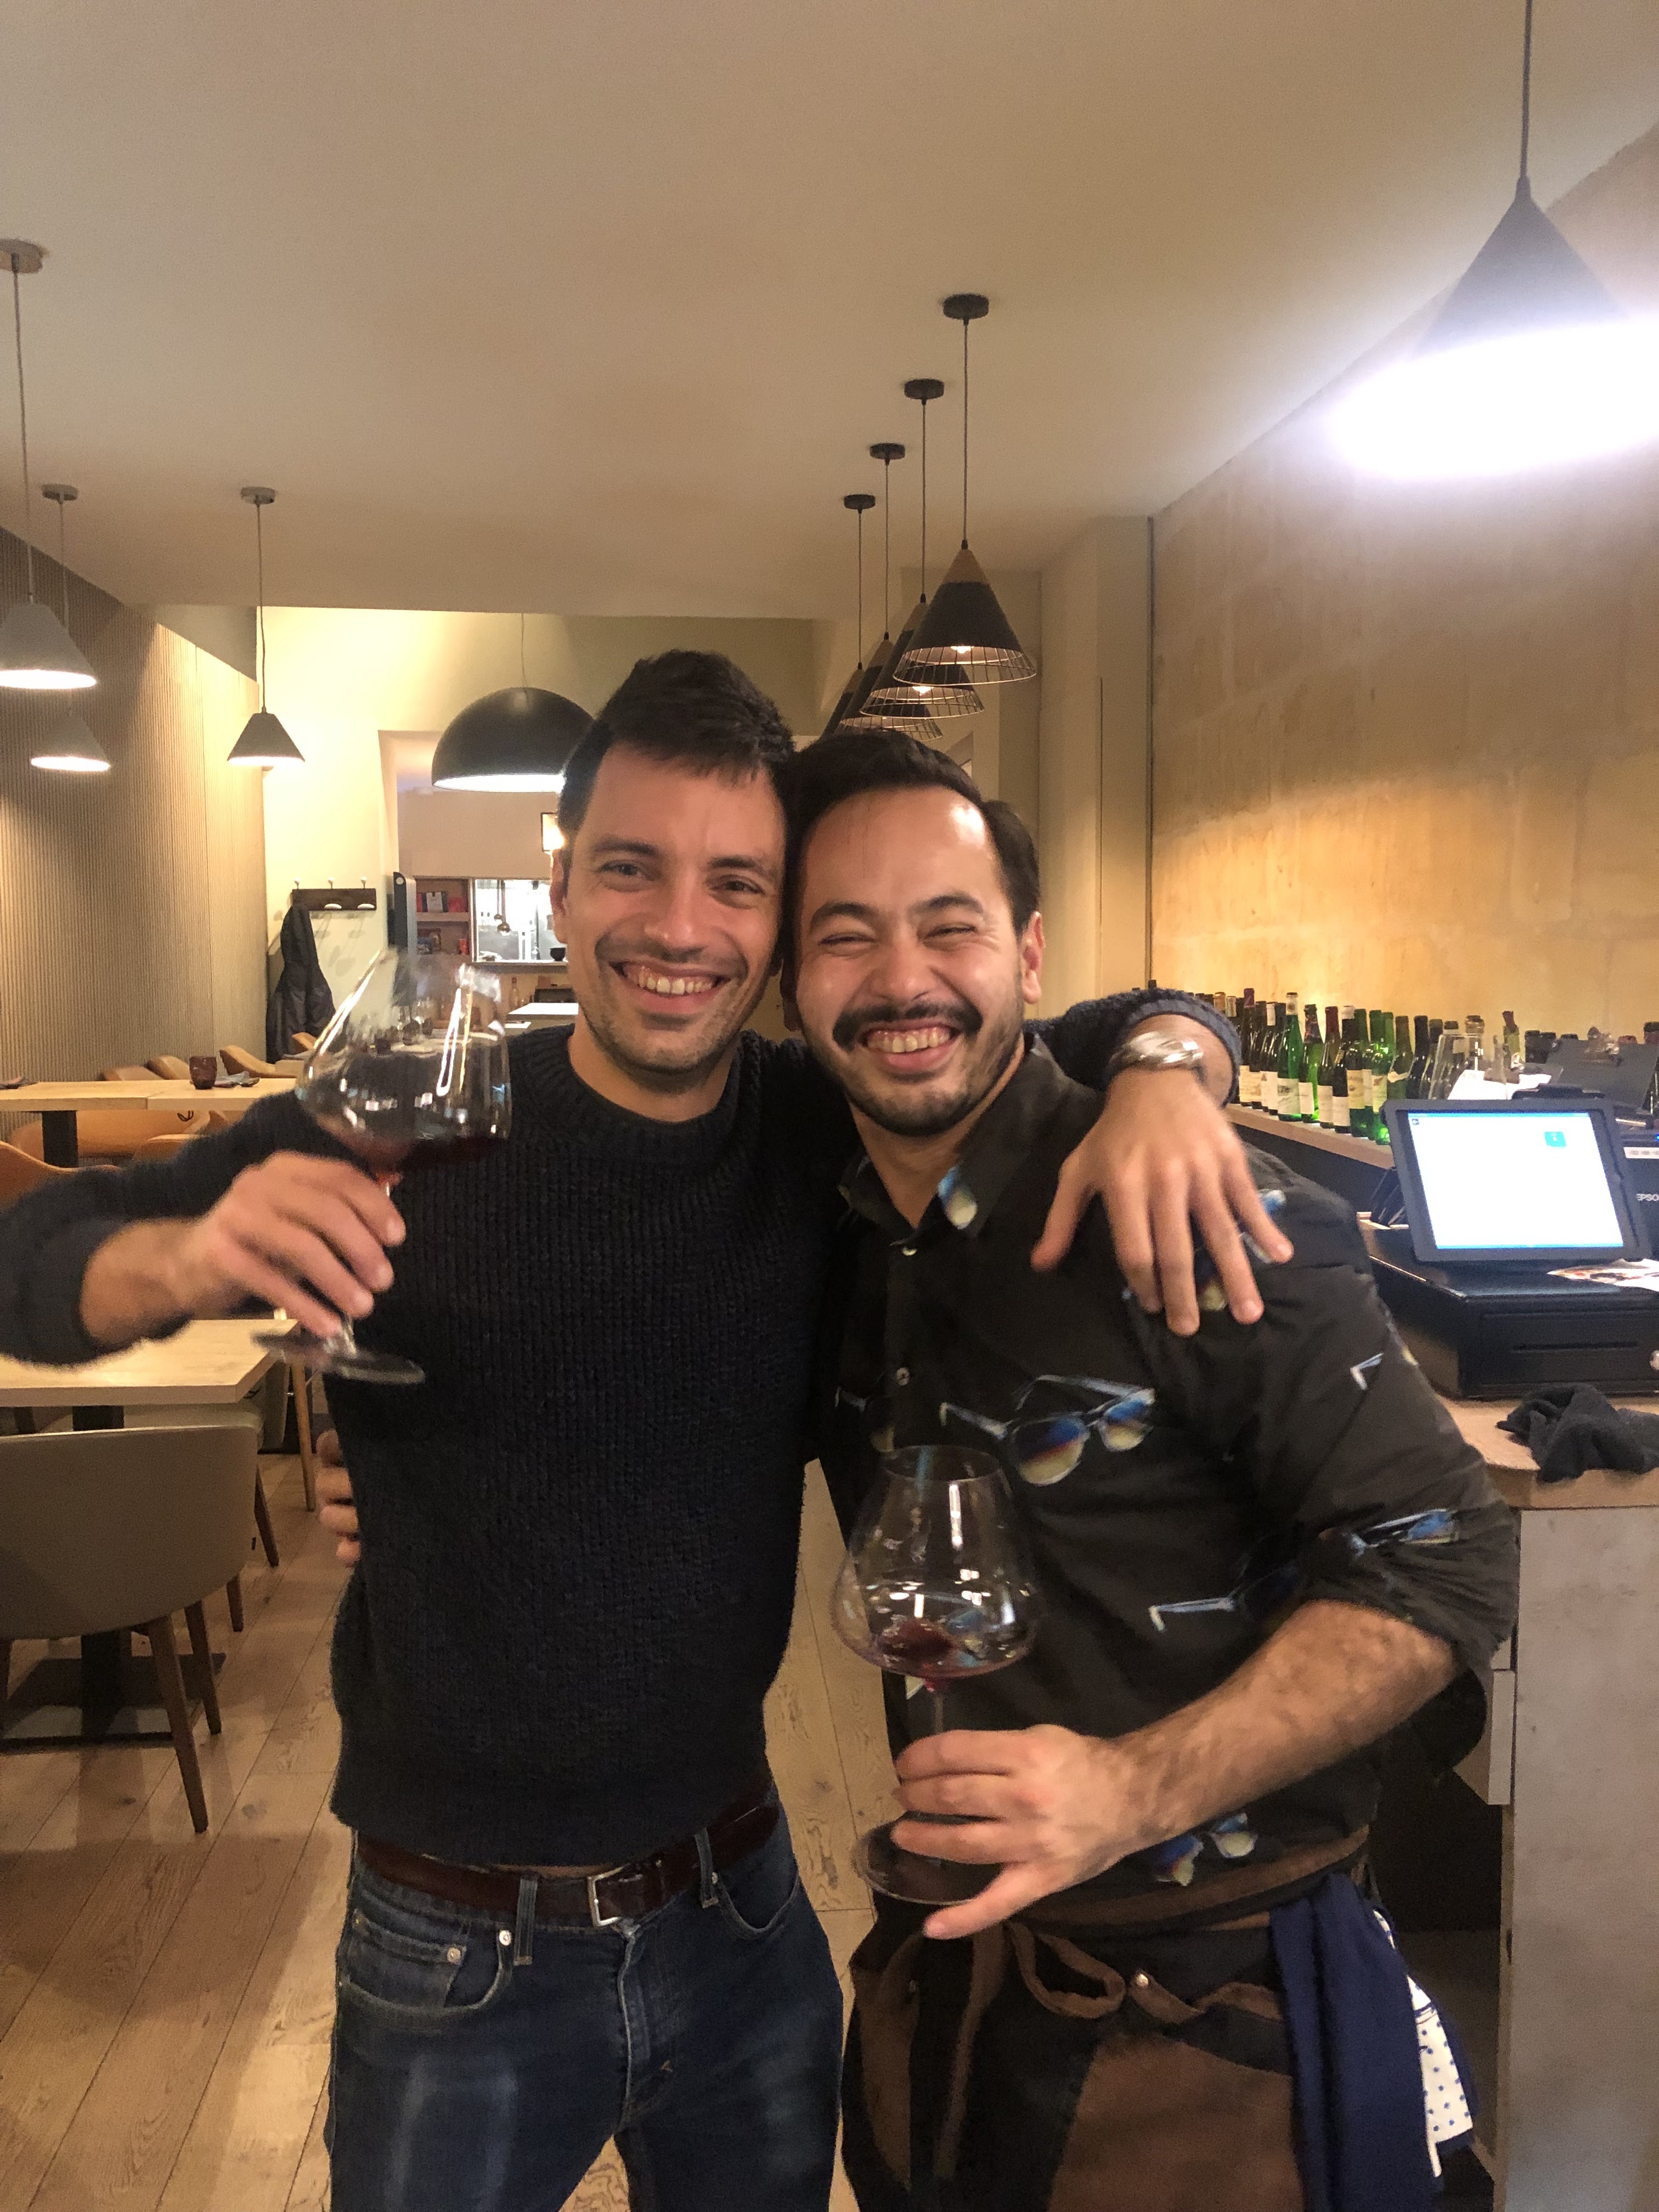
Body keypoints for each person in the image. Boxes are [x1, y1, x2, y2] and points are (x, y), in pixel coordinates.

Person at [0, 653, 1272, 2212]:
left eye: (736, 884)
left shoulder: (813, 1127)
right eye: (630, 868)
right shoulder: (417, 1111)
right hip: (451, 1940)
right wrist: (187, 1259)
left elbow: (1111, 1011)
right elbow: (27, 1259)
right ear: (558, 882)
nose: (680, 928)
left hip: (741, 1909)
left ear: (780, 927)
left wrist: (1167, 1077)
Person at [782, 727, 1520, 2212]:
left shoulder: (1195, 1212)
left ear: (1029, 953)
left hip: (1215, 2019)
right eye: (845, 936)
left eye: (950, 927)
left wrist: (1128, 1791)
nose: (903, 980)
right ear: (789, 982)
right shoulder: (842, 1216)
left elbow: (1448, 1556)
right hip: (963, 1974)